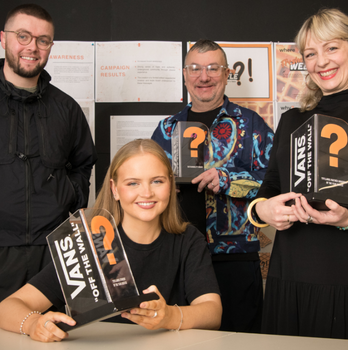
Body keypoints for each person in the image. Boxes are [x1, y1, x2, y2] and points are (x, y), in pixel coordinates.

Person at [0, 139, 222, 342]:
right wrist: (31, 323)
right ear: (115, 189)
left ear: (171, 185)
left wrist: (170, 316)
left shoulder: (188, 240)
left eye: (157, 181)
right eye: (133, 183)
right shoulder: (87, 244)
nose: (146, 193)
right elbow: (7, 307)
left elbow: (212, 312)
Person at [152, 39, 274, 332]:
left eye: (212, 68)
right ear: (184, 74)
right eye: (194, 68)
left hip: (236, 258)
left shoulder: (252, 125)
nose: (203, 76)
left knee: (241, 338)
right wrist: (163, 186)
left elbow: (275, 185)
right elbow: (147, 184)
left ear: (227, 73)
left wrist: (228, 180)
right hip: (178, 257)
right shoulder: (166, 128)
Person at [251, 8, 348, 339]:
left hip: (342, 277)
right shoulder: (292, 119)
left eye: (332, 47)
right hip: (288, 274)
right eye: (311, 53)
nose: (321, 61)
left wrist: (347, 219)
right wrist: (262, 210)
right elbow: (269, 187)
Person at [0, 4, 97, 302]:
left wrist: (66, 196)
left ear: (51, 46)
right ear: (3, 39)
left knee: (52, 339)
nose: (33, 47)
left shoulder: (67, 109)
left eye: (43, 40)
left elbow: (83, 165)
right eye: (23, 36)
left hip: (53, 255)